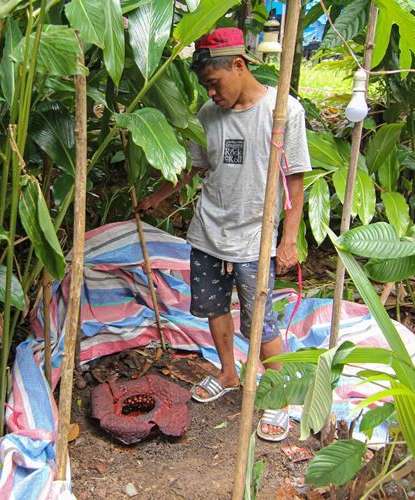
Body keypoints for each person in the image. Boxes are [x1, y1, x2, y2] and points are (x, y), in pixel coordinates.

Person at [135, 27, 311, 441]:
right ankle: (228, 372)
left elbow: (296, 181)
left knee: (260, 323)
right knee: (213, 307)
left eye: (214, 84)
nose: (211, 93)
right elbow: (193, 168)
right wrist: (156, 198)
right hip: (209, 231)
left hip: (255, 236)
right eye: (205, 86)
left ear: (239, 65)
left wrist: (288, 240)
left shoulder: (283, 111)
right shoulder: (208, 116)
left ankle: (279, 397)